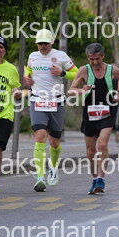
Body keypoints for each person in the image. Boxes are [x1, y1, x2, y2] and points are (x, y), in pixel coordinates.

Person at [23, 29, 78, 191]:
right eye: (40, 43)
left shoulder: (61, 56)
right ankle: (40, 176)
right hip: (37, 101)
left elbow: (78, 75)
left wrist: (63, 73)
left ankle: (53, 167)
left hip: (56, 102)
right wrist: (27, 78)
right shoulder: (32, 56)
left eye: (46, 43)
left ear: (51, 43)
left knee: (54, 142)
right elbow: (29, 71)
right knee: (40, 136)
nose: (43, 46)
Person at [68, 43, 119, 194]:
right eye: (91, 59)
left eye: (97, 59)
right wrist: (81, 90)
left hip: (107, 111)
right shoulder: (84, 70)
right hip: (90, 113)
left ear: (103, 56)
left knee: (102, 145)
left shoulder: (112, 70)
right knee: (90, 151)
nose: (94, 62)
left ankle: (101, 179)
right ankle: (94, 179)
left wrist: (118, 93)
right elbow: (71, 91)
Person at [0, 36, 22, 194]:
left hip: (4, 115)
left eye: (1, 47)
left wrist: (17, 94)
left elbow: (15, 88)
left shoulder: (11, 69)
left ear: (5, 51)